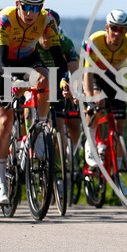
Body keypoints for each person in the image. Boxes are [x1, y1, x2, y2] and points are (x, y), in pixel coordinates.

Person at [0, 0, 68, 205]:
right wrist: (12, 81)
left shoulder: (47, 20)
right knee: (5, 122)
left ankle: (40, 131)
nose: (30, 13)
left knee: (46, 78)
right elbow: (0, 59)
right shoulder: (5, 19)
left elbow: (58, 58)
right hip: (3, 64)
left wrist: (64, 80)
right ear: (18, 4)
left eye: (35, 8)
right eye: (26, 7)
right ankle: (1, 183)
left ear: (41, 7)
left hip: (28, 59)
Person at [81, 9, 127, 168]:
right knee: (98, 103)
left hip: (112, 77)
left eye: (121, 29)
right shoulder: (95, 41)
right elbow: (87, 74)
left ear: (126, 30)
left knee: (119, 124)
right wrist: (89, 100)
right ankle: (91, 142)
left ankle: (118, 168)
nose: (117, 33)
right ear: (107, 28)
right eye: (114, 28)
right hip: (93, 74)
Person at [38, 9, 82, 155]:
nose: (46, 35)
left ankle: (60, 168)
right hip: (37, 84)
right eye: (43, 30)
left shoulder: (64, 43)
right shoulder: (31, 41)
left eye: (51, 30)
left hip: (59, 83)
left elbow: (75, 73)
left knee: (60, 125)